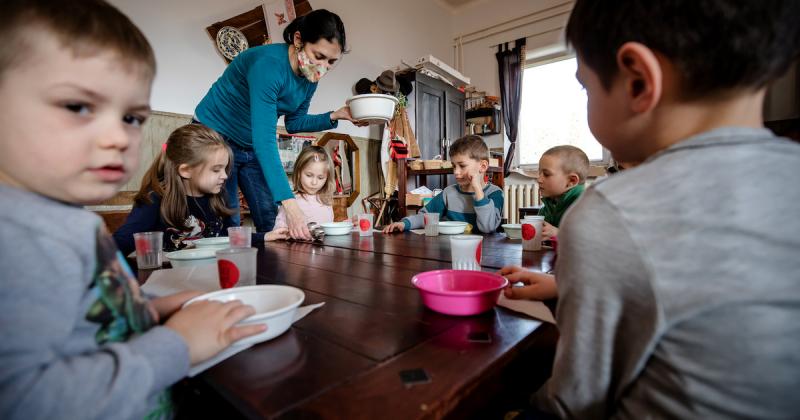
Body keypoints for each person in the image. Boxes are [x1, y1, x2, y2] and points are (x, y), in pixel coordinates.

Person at [515, 1, 800, 418]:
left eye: (585, 87)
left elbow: (571, 404)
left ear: (637, 80)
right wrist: (566, 287)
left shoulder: (609, 211)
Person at [0, 1, 265, 418]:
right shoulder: (20, 242)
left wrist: (145, 309)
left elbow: (90, 321)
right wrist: (176, 345)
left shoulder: (68, 224)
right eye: (77, 106)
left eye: (131, 117)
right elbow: (25, 402)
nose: (118, 137)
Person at [194, 9, 365, 242]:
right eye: (319, 56)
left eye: (331, 61)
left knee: (268, 215)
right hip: (214, 136)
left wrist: (335, 115)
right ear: (298, 40)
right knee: (229, 219)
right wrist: (292, 207)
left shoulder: (309, 78)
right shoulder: (269, 65)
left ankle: (273, 275)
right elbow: (264, 139)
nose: (323, 67)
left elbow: (293, 123)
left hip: (249, 143)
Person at [383, 135, 503, 234]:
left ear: (482, 166)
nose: (456, 172)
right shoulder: (448, 193)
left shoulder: (495, 194)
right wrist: (405, 223)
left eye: (462, 166)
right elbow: (426, 216)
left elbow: (487, 227)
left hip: (483, 252)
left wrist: (477, 188)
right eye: (454, 166)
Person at [266, 145, 335, 241]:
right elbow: (279, 231)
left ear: (327, 178)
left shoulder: (326, 201)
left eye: (320, 177)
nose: (314, 182)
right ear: (299, 173)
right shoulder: (291, 201)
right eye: (309, 175)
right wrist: (287, 233)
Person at [536, 145, 589, 241]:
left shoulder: (586, 206)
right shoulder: (548, 206)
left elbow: (592, 241)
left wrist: (558, 233)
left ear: (571, 181)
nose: (539, 179)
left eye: (546, 174)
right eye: (539, 173)